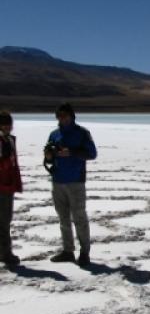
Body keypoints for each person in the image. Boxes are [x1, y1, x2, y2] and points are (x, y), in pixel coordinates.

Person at [44, 103, 97, 266]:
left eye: (65, 115)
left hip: (76, 182)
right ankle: (68, 251)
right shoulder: (54, 134)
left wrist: (72, 152)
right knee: (63, 218)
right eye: (59, 116)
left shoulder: (82, 133)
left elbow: (92, 154)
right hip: (58, 181)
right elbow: (49, 158)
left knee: (79, 217)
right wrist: (49, 155)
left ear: (72, 116)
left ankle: (84, 252)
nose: (62, 119)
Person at [0, 110, 22, 266]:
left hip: (8, 185)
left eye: (9, 124)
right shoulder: (2, 142)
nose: (8, 127)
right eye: (4, 124)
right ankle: (5, 253)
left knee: (5, 220)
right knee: (4, 220)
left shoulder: (9, 140)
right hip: (3, 186)